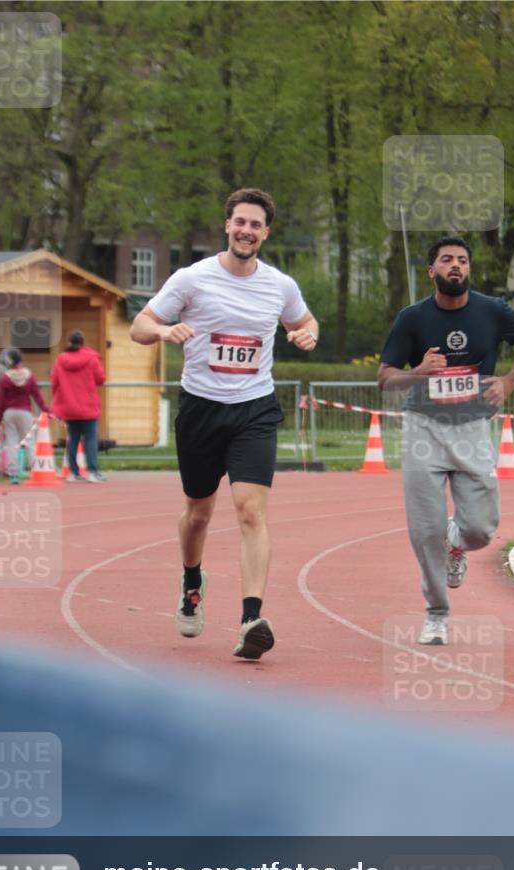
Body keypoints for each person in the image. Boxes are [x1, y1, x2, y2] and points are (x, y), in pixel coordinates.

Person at [130, 187, 318, 660]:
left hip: (254, 408)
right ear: (227, 225)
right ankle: (192, 581)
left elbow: (305, 320)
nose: (246, 231)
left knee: (251, 510)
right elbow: (140, 325)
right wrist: (164, 330)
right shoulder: (192, 279)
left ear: (266, 233)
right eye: (240, 222)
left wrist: (306, 333)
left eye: (256, 225)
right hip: (200, 407)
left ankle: (251, 619)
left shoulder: (280, 285)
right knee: (199, 511)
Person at [378, 235, 514, 645]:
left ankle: (458, 542)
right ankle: (436, 613)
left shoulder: (492, 311)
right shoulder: (412, 318)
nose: (456, 266)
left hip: (472, 428)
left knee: (482, 530)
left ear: (469, 269)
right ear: (431, 270)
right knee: (424, 530)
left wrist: (508, 381)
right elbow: (384, 379)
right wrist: (417, 371)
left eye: (463, 260)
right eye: (447, 260)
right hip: (423, 430)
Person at [50, 330, 106, 483]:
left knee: (73, 439)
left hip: (69, 405)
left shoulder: (60, 360)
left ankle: (73, 473)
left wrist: (58, 401)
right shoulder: (91, 359)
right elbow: (101, 379)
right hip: (88, 405)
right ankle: (93, 472)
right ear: (82, 343)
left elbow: (54, 381)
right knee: (90, 439)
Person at [0, 348, 49, 481]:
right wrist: (46, 410)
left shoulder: (6, 378)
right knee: (29, 441)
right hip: (25, 412)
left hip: (9, 413)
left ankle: (13, 472)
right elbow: (37, 396)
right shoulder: (29, 376)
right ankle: (34, 469)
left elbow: (0, 400)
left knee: (11, 442)